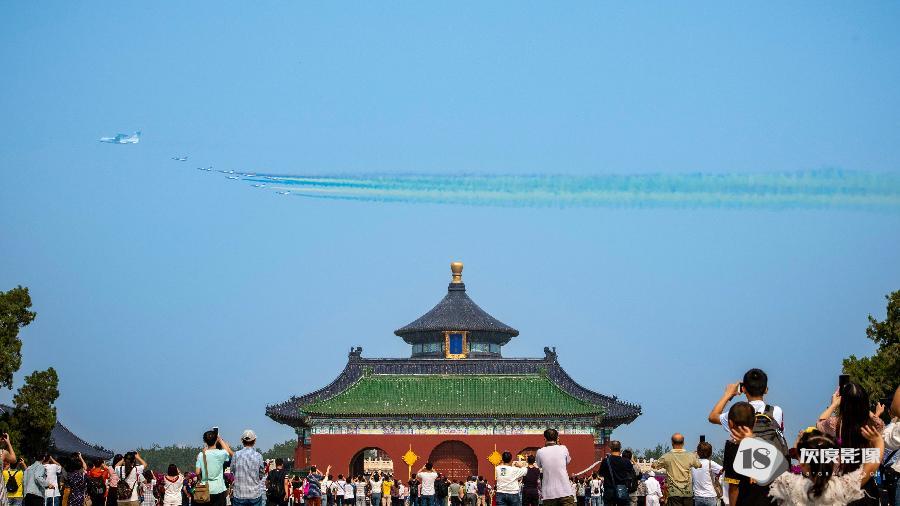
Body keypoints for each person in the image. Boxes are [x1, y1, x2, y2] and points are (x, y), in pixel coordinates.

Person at [750, 425, 884, 505]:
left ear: (803, 464)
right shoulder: (841, 488)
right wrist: (878, 442)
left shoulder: (791, 485)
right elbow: (871, 466)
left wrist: (748, 439)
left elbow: (761, 463)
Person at [816, 383, 885, 505]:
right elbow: (878, 421)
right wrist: (862, 405)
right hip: (865, 482)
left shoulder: (834, 424)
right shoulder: (874, 426)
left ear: (843, 404)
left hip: (840, 482)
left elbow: (820, 423)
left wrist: (834, 404)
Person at [708, 369, 785, 433]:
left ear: (743, 389)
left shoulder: (737, 412)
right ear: (766, 390)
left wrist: (728, 394)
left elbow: (712, 417)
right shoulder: (776, 411)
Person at [651, 434, 700, 506]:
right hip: (688, 493)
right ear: (683, 443)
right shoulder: (690, 456)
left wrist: (664, 465)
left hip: (674, 493)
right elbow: (699, 465)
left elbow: (654, 466)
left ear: (672, 443)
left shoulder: (666, 457)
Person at [535, 429, 575, 506]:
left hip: (548, 494)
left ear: (544, 439)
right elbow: (567, 462)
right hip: (565, 491)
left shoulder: (540, 452)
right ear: (557, 438)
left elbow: (539, 465)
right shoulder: (563, 448)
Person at [194, 431, 235, 506]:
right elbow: (227, 451)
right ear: (216, 440)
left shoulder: (201, 455)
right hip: (219, 489)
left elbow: (197, 472)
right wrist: (220, 439)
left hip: (205, 489)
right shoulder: (220, 454)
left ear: (205, 441)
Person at [231, 430, 265, 506]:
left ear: (242, 441)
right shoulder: (258, 456)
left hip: (239, 494)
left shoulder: (236, 455)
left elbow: (232, 471)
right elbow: (261, 474)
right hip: (254, 494)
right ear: (254, 441)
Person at [598, 441, 634, 506]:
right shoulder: (626, 461)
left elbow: (601, 473)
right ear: (620, 448)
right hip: (622, 490)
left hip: (609, 491)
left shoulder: (606, 461)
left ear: (610, 448)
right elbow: (632, 473)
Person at [691, 442, 722, 506]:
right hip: (710, 496)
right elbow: (722, 471)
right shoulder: (710, 463)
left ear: (698, 452)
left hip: (697, 496)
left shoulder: (693, 464)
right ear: (710, 453)